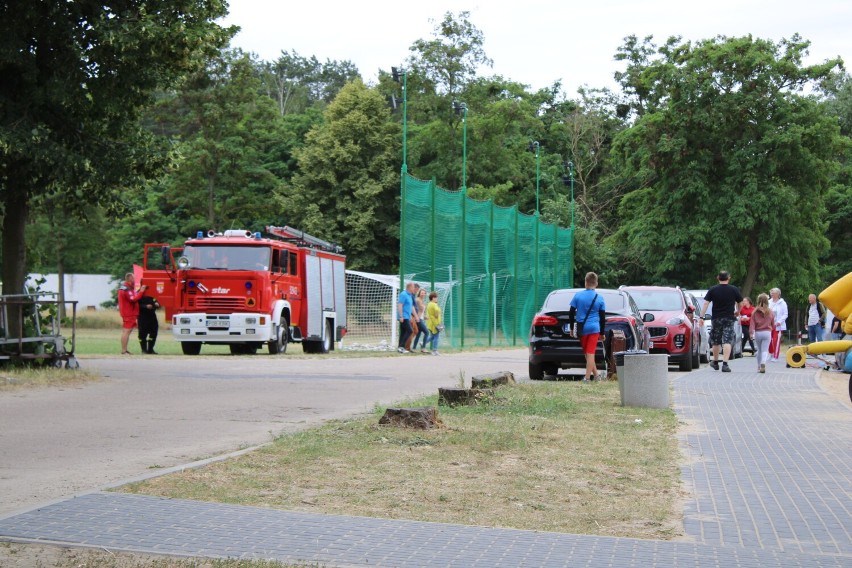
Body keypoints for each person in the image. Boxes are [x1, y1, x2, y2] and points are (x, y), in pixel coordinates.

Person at [702, 271, 743, 372]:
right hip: (729, 317)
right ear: (728, 278)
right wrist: (738, 311)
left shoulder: (713, 289)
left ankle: (715, 362)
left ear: (718, 278)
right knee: (727, 340)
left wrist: (701, 317)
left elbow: (706, 303)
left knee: (716, 341)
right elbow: (740, 302)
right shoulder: (734, 289)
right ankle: (725, 364)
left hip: (716, 318)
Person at [569, 272, 606, 382]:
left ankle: (587, 377)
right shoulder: (600, 298)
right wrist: (602, 333)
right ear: (596, 283)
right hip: (594, 328)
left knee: (588, 354)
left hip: (582, 328)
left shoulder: (578, 295)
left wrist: (571, 328)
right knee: (589, 354)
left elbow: (571, 312)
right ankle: (595, 376)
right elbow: (602, 317)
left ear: (586, 283)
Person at [118, 272, 146, 355]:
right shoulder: (127, 289)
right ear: (130, 279)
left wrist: (138, 291)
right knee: (127, 331)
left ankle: (125, 350)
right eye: (134, 278)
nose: (135, 280)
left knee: (127, 331)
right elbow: (133, 299)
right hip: (129, 313)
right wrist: (141, 292)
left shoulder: (125, 288)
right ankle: (124, 350)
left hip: (128, 312)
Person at [749, 293, 775, 374]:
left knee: (759, 350)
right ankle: (763, 362)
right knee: (765, 350)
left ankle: (759, 366)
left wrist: (751, 333)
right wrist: (771, 328)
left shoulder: (755, 312)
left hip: (758, 332)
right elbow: (773, 323)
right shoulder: (770, 311)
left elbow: (752, 324)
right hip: (767, 332)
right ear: (767, 301)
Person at [768, 287, 788, 362]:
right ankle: (771, 353)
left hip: (778, 325)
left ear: (778, 294)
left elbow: (785, 314)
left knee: (776, 340)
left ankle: (776, 356)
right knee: (769, 339)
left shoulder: (782, 303)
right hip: (769, 324)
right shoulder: (769, 302)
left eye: (773, 293)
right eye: (771, 293)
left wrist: (779, 322)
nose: (772, 294)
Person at [397, 282, 415, 353]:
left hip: (407, 316)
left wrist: (410, 315)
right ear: (410, 287)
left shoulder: (410, 295)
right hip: (403, 316)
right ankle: (402, 347)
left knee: (403, 332)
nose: (414, 288)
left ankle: (400, 348)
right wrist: (401, 316)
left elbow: (409, 307)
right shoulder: (403, 294)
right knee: (410, 330)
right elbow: (400, 305)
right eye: (413, 287)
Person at [411, 288, 430, 353]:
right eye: (421, 293)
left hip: (420, 318)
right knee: (427, 332)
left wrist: (425, 317)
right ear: (419, 293)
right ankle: (423, 348)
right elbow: (416, 309)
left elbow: (421, 311)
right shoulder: (418, 300)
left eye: (424, 293)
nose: (423, 294)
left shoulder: (422, 301)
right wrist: (417, 318)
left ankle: (413, 348)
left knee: (418, 334)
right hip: (418, 319)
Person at [426, 291, 443, 355]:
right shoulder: (434, 304)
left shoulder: (429, 304)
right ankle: (435, 350)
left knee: (433, 336)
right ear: (433, 298)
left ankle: (423, 342)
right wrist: (436, 315)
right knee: (436, 337)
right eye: (436, 297)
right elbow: (436, 311)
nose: (437, 299)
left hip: (431, 322)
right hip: (435, 322)